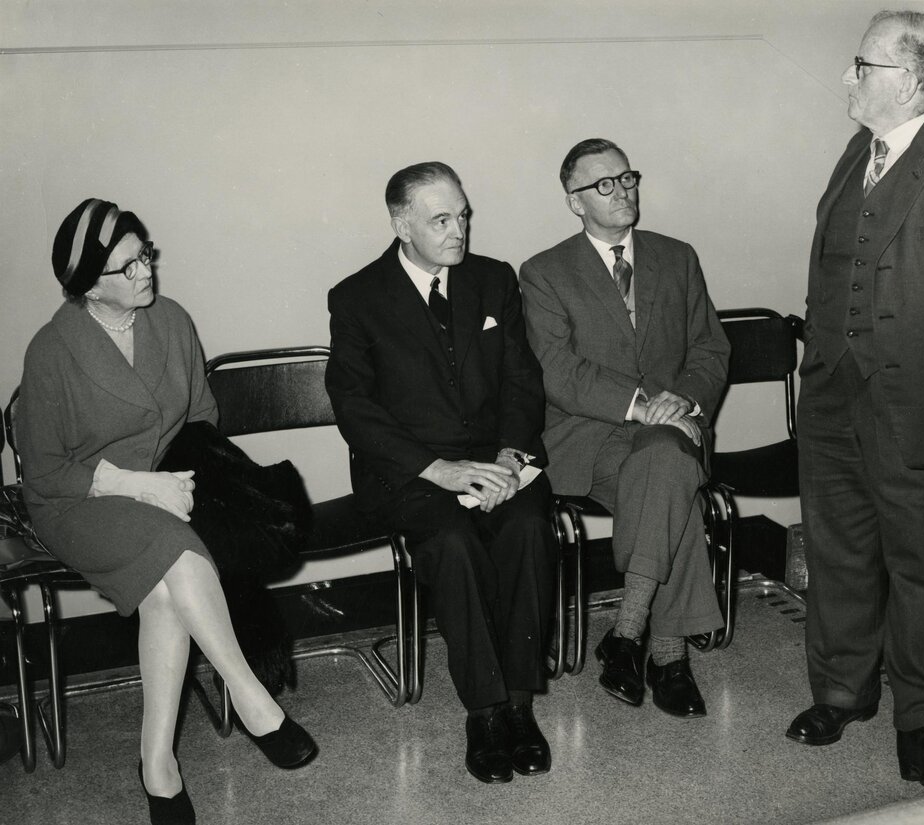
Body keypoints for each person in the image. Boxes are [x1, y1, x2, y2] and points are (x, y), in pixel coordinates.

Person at [17, 199, 317, 825]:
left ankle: (158, 764)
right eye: (127, 268)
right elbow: (44, 472)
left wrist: (188, 478)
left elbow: (200, 416)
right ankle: (251, 694)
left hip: (165, 487)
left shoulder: (171, 320)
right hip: (81, 500)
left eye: (145, 255)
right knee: (179, 552)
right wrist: (139, 485)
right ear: (87, 287)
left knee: (163, 596)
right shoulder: (51, 352)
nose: (145, 272)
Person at [785, 10, 924, 787]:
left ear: (907, 80)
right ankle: (843, 689)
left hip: (922, 403)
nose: (847, 78)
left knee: (917, 566)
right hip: (834, 395)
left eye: (861, 66)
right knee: (837, 550)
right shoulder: (856, 153)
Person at [326, 162, 558, 784]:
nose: (459, 230)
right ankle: (483, 712)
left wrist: (509, 458)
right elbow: (355, 410)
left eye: (463, 215)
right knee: (453, 544)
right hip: (408, 473)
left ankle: (519, 703)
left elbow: (521, 380)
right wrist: (439, 471)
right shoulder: (356, 298)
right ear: (400, 224)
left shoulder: (492, 280)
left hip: (496, 460)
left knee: (530, 528)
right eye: (440, 220)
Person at [520, 139, 730, 718]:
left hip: (671, 427)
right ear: (573, 201)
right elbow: (558, 371)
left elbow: (711, 348)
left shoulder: (676, 256)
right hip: (590, 437)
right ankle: (667, 654)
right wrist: (641, 407)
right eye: (604, 185)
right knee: (674, 489)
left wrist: (682, 401)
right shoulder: (543, 272)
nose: (623, 191)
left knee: (665, 461)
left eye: (628, 178)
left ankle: (632, 630)